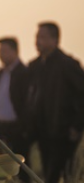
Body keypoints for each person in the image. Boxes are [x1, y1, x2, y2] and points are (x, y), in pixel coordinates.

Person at [27, 21, 84, 183]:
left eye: (42, 37)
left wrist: (77, 126)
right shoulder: (35, 66)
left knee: (62, 176)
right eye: (36, 37)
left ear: (55, 40)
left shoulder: (68, 64)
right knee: (47, 173)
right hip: (43, 132)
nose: (37, 41)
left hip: (64, 133)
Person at [0, 37, 30, 182]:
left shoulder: (24, 73)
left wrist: (24, 128)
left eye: (4, 51)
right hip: (0, 129)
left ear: (15, 51)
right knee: (3, 170)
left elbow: (27, 104)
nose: (0, 55)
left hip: (17, 130)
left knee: (21, 168)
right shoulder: (1, 73)